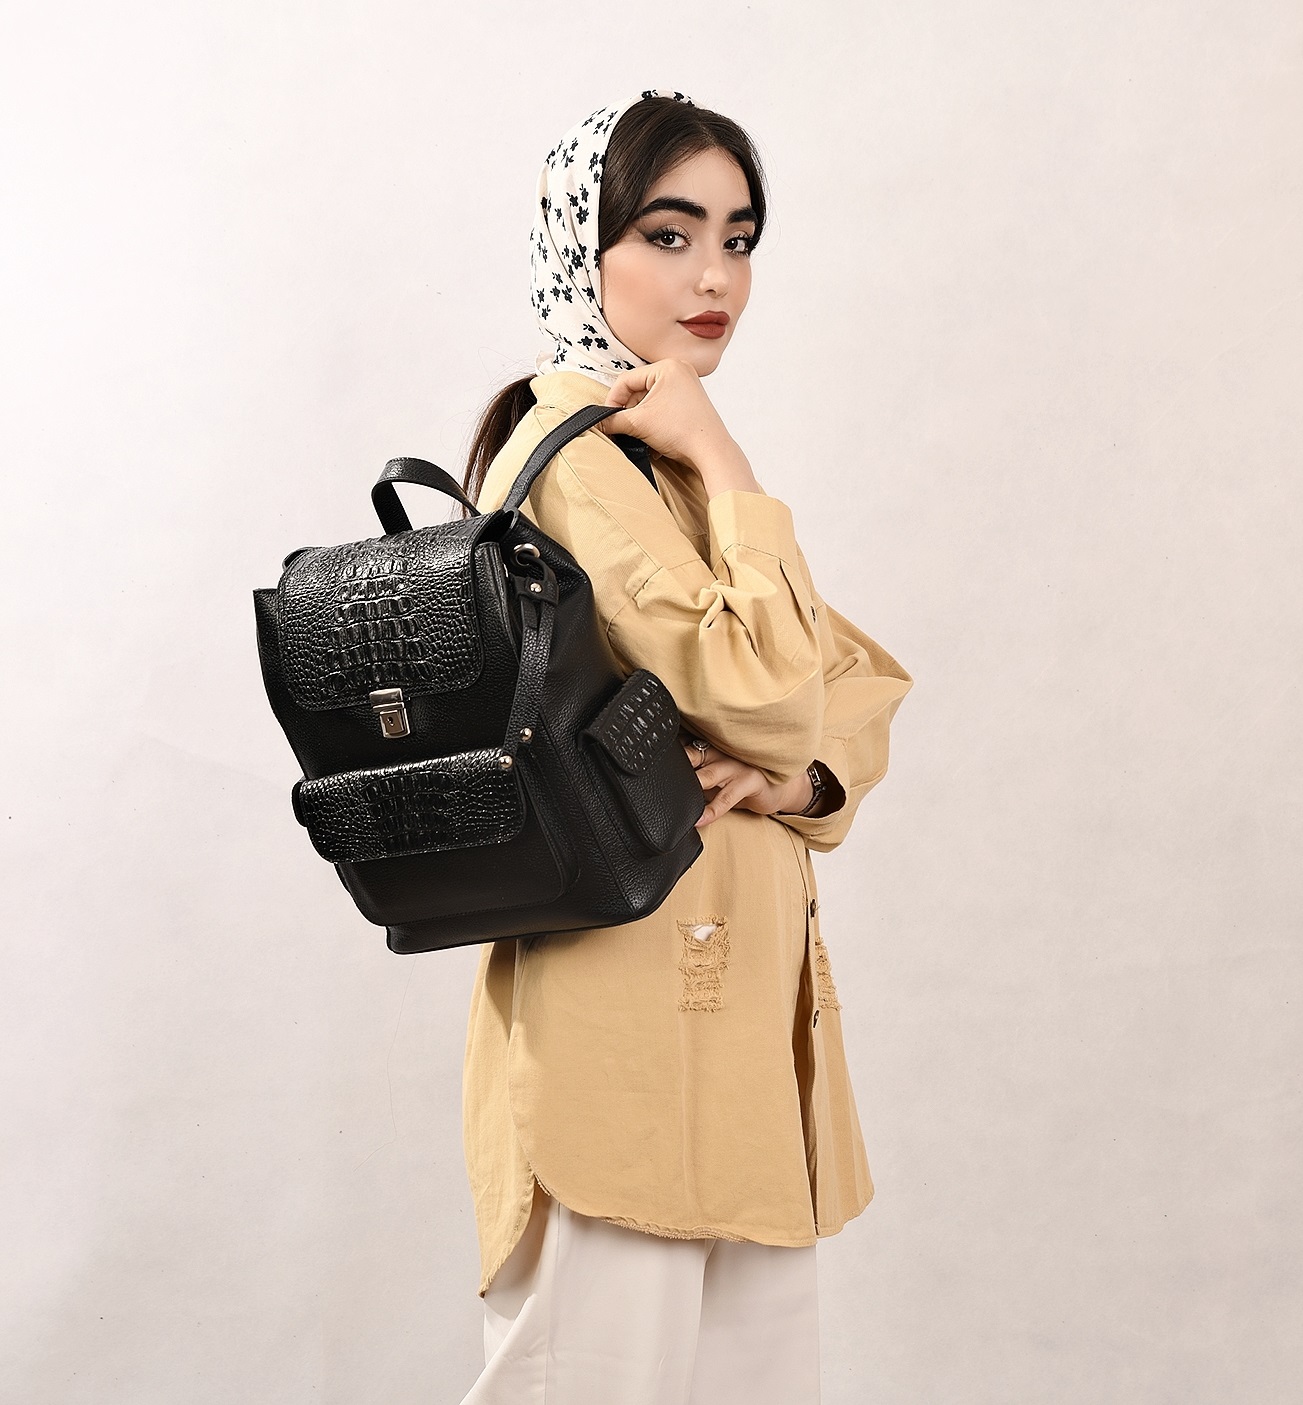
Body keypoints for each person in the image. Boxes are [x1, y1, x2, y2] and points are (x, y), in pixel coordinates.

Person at [455, 88, 913, 1404]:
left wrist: (797, 775)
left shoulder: (657, 465)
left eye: (738, 239)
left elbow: (858, 688)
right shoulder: (576, 459)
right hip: (621, 1047)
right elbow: (771, 685)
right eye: (668, 235)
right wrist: (726, 456)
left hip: (735, 1053)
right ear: (580, 244)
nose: (715, 277)